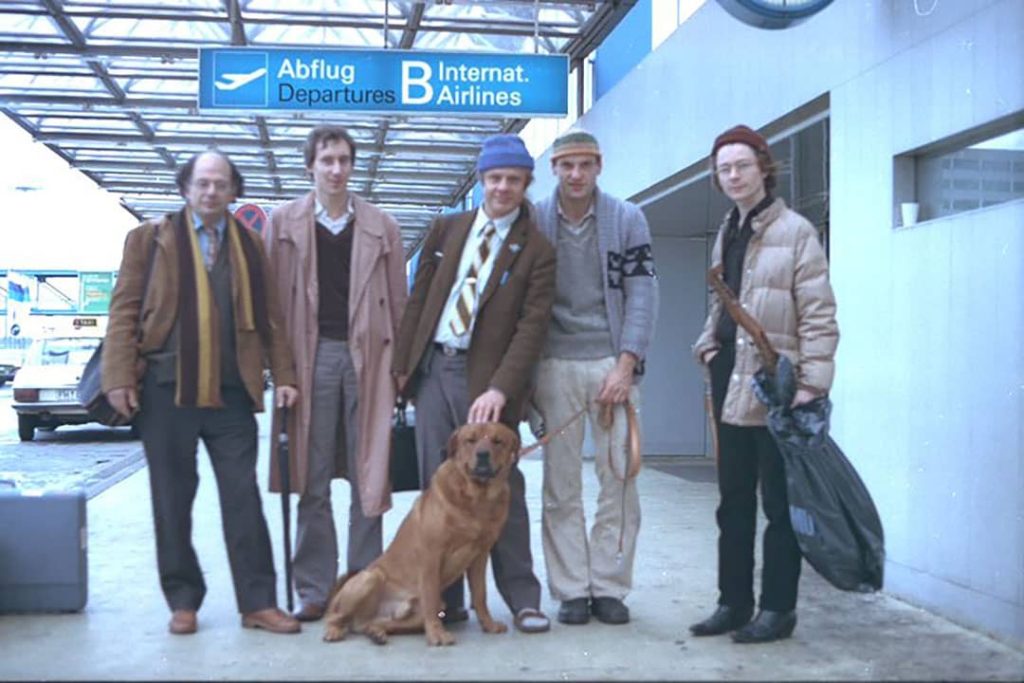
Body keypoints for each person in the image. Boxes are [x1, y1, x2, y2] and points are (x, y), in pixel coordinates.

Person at [102, 150, 302, 636]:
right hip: (165, 392)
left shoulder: (252, 245)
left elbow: (273, 318)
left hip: (232, 395)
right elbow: (124, 310)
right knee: (171, 500)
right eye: (202, 183)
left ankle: (258, 603)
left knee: (243, 498)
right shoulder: (149, 240)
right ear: (185, 187)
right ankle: (183, 600)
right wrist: (119, 377)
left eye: (220, 184)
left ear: (234, 191)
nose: (211, 192)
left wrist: (286, 375)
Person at [392, 133, 556, 634]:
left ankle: (523, 598)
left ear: (527, 183)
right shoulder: (447, 230)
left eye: (512, 179)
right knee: (437, 485)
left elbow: (532, 327)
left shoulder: (537, 251)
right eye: (494, 178)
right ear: (481, 181)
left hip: (487, 382)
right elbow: (417, 301)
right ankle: (446, 603)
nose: (502, 187)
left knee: (502, 488)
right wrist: (404, 370)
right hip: (433, 370)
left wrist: (500, 390)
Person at [690, 125, 839, 643]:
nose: (732, 176)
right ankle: (733, 603)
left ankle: (778, 610)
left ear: (763, 168)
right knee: (732, 500)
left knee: (779, 504)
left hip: (778, 386)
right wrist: (708, 342)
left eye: (741, 166)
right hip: (729, 377)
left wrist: (812, 382)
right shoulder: (727, 228)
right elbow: (722, 299)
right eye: (724, 168)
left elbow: (819, 311)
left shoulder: (796, 231)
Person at [263, 125, 407, 622]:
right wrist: (281, 371)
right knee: (312, 474)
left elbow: (400, 303)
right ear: (310, 166)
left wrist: (401, 370)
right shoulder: (282, 224)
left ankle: (364, 584)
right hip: (312, 358)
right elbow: (273, 310)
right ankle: (314, 589)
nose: (336, 169)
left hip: (370, 358)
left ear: (353, 165)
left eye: (344, 159)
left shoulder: (381, 226)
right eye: (326, 160)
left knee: (371, 475)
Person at [531, 130, 658, 626]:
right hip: (554, 365)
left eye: (585, 165)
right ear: (555, 170)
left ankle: (609, 586)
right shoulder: (536, 220)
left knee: (619, 479)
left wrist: (626, 365)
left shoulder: (627, 219)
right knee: (560, 485)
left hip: (611, 363)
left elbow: (643, 293)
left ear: (599, 167)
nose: (576, 175)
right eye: (567, 166)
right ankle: (570, 590)